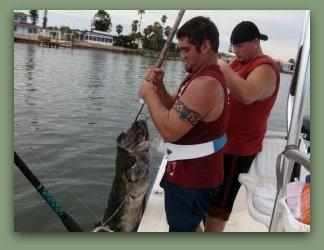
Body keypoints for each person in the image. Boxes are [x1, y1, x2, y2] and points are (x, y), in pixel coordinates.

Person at [138, 16, 228, 232]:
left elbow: (170, 131)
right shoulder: (197, 77)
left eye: (186, 50)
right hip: (189, 172)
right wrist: (159, 88)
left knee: (181, 230)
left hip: (193, 180)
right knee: (185, 225)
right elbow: (175, 107)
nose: (181, 55)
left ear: (205, 46)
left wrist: (149, 95)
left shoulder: (206, 84)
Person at [204, 21, 281, 232]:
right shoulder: (238, 64)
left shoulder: (265, 67)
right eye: (233, 47)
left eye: (239, 46)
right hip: (220, 142)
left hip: (239, 148)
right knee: (208, 200)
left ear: (256, 42)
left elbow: (247, 94)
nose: (235, 51)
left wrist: (220, 65)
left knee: (219, 207)